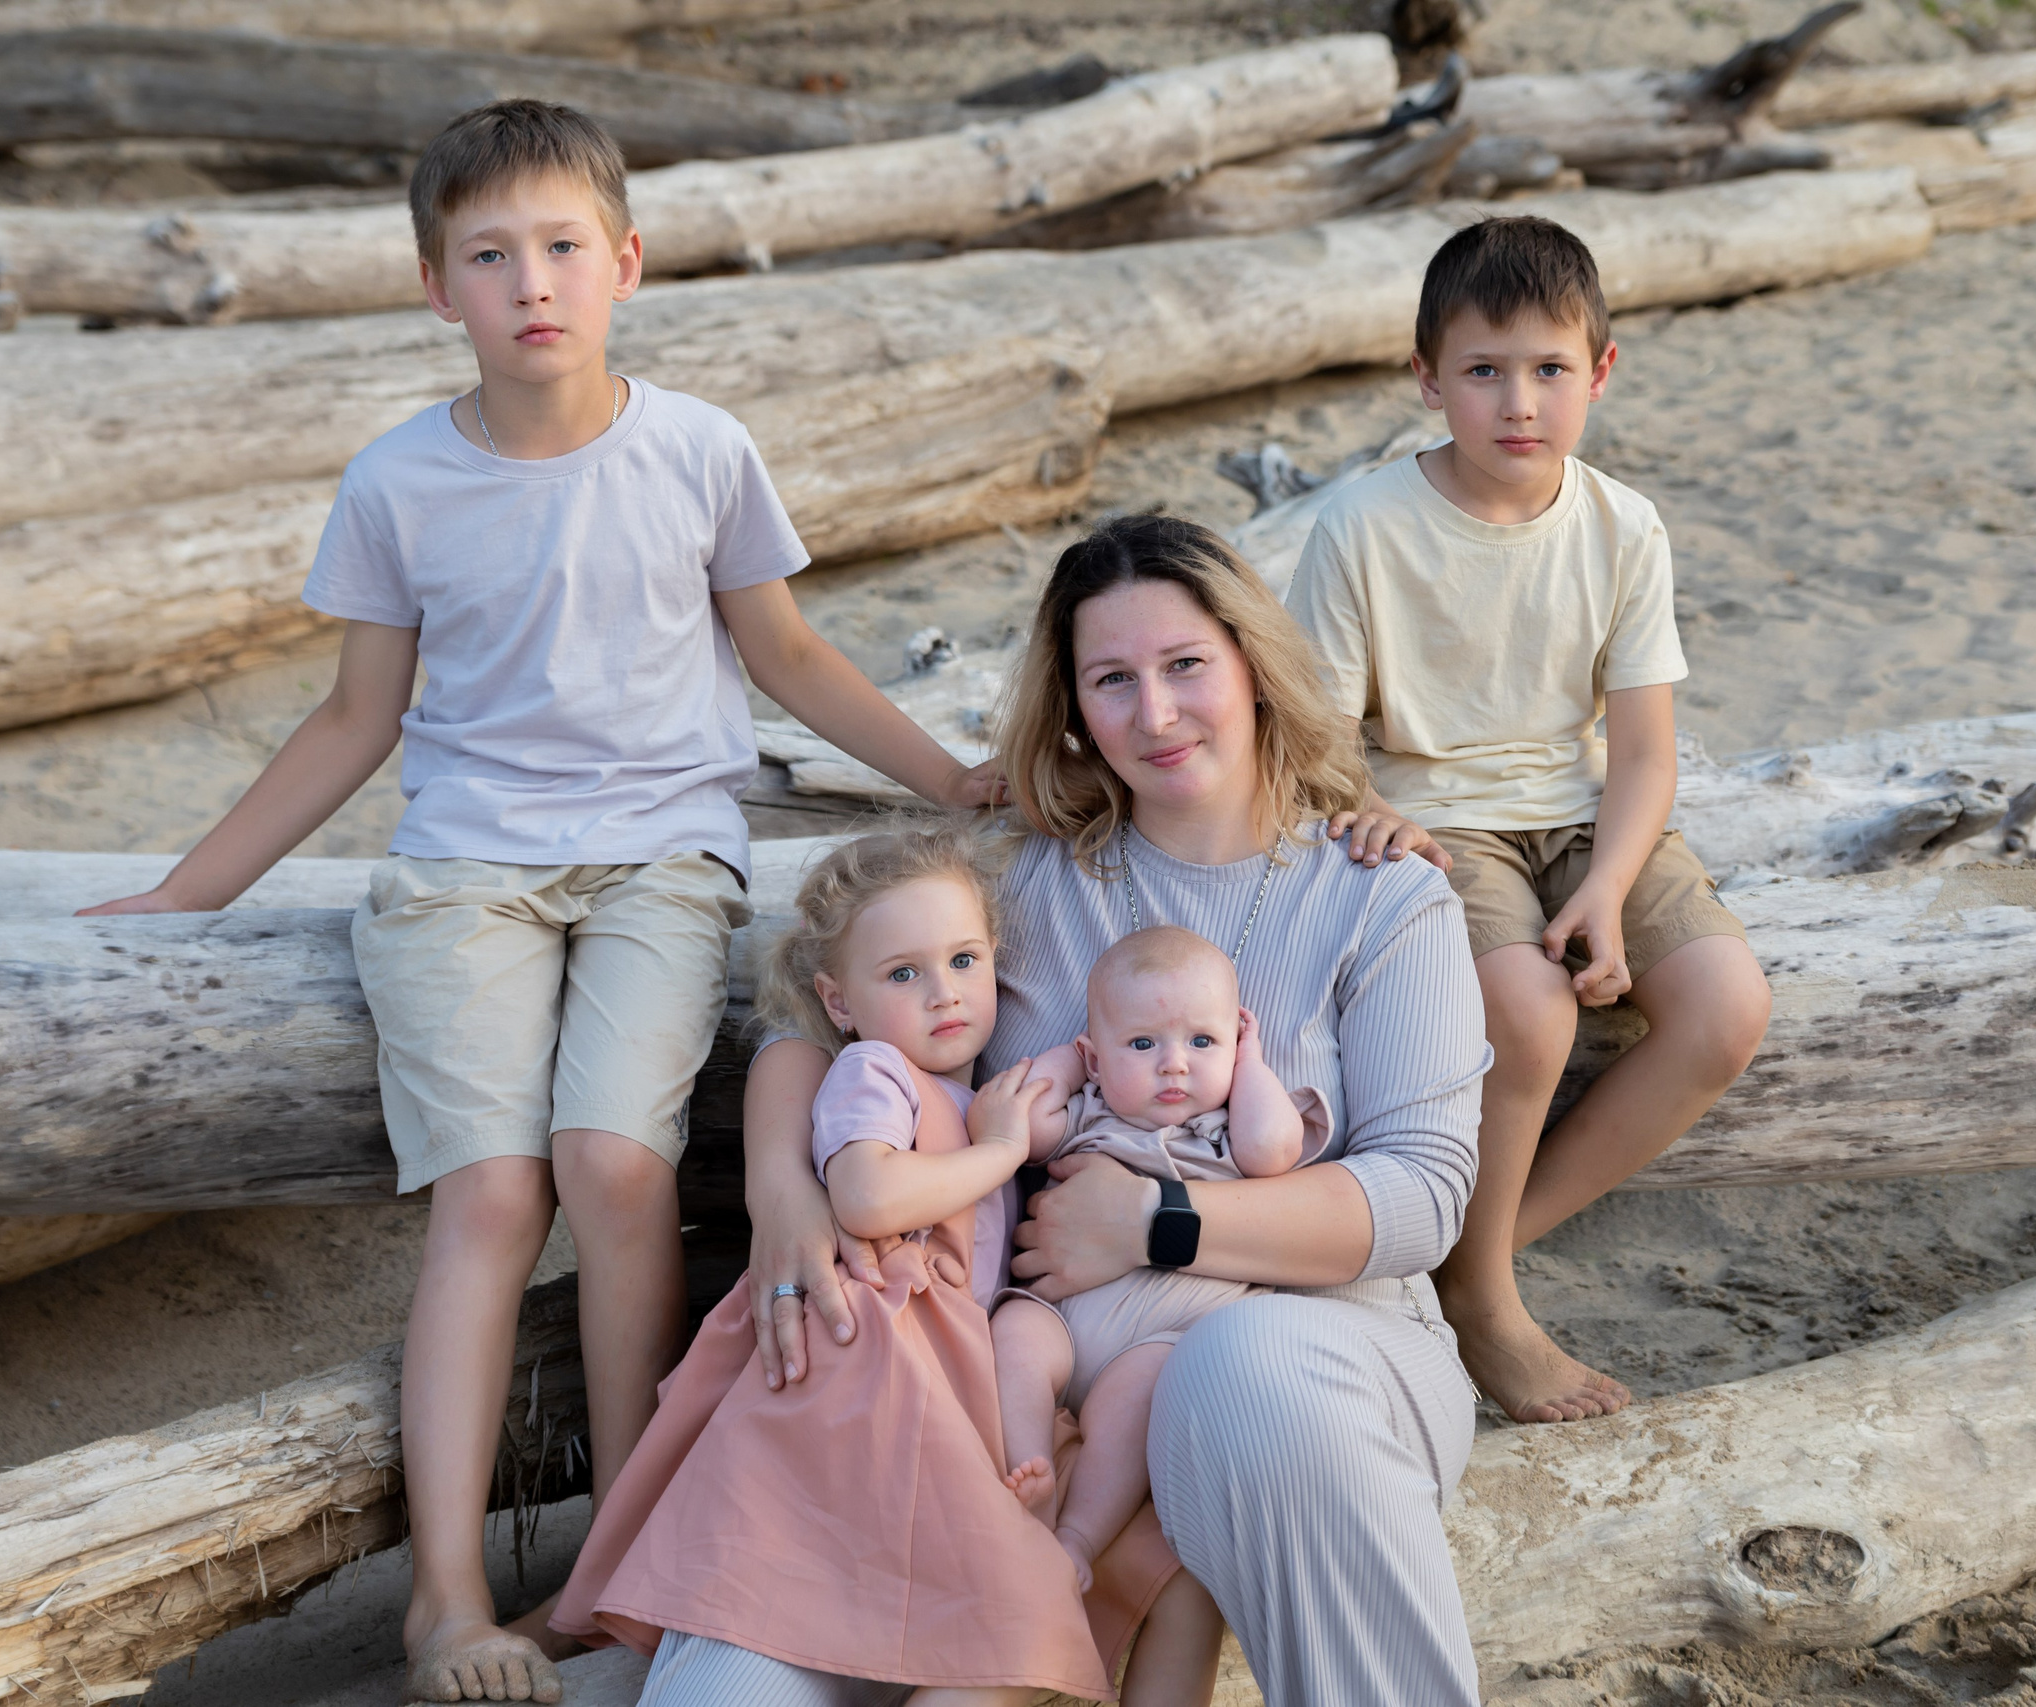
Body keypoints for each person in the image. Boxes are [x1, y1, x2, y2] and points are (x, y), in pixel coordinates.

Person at [79, 99, 994, 1705]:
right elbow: (356, 720)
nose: (532, 284)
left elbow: (786, 656)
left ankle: (622, 1561)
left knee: (613, 1161)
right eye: (489, 257)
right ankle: (448, 1596)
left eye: (563, 247)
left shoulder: (699, 449)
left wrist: (952, 775)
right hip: (463, 870)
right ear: (439, 288)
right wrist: (189, 890)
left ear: (625, 262)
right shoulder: (401, 480)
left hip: (660, 857)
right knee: (493, 1197)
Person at [736, 514, 1492, 1707]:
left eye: (1186, 664)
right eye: (1112, 681)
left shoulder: (1381, 895)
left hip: (1322, 1359)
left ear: (1251, 664)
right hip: (1032, 1377)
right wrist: (780, 1188)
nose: (1156, 713)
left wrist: (1158, 1224)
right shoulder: (1028, 876)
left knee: (1242, 1366)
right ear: (1076, 711)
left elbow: (1423, 1198)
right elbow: (810, 1018)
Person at [1282, 214, 1774, 1426]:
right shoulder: (1362, 526)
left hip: (1581, 814)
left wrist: (1605, 892)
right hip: (1438, 821)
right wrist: (1374, 812)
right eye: (1484, 370)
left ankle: (1470, 1258)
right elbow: (1316, 741)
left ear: (1598, 372)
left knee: (1724, 1012)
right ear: (1426, 376)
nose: (1519, 402)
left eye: (1551, 369)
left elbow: (1644, 750)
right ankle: (1491, 1305)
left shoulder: (1621, 526)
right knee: (1527, 1010)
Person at [546, 821, 1111, 1705]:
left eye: (964, 960)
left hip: (931, 1376)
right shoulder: (872, 1072)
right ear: (838, 1001)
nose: (944, 993)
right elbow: (868, 1197)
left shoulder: (968, 1093)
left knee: (997, 1605)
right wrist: (1001, 1153)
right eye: (902, 973)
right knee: (810, 1548)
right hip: (862, 1369)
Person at [990, 923, 1326, 1619]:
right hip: (1062, 1316)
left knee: (1138, 1402)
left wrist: (1250, 1060)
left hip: (1160, 1340)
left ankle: (1078, 1537)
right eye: (1143, 1044)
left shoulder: (1231, 1128)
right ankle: (1028, 1476)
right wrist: (1077, 1064)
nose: (1174, 1064)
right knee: (1014, 1335)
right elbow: (1020, 1117)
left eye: (1202, 1041)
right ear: (1094, 1055)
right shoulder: (1087, 1112)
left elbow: (1273, 1150)